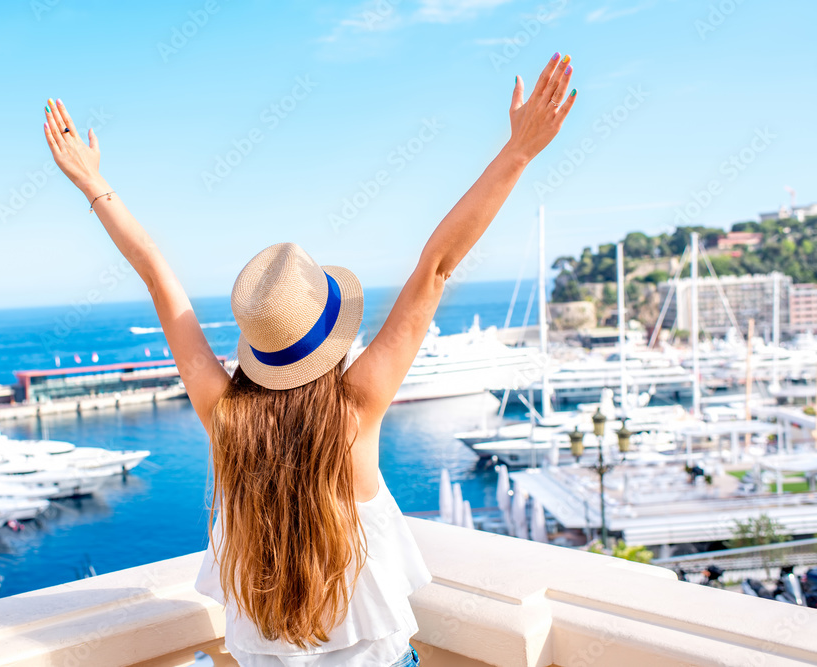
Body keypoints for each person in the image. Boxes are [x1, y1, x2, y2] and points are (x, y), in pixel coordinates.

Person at [42, 52, 575, 666]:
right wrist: (519, 151)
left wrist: (92, 182)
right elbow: (438, 265)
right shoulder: (357, 406)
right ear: (331, 333)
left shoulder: (227, 417)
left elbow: (158, 277)